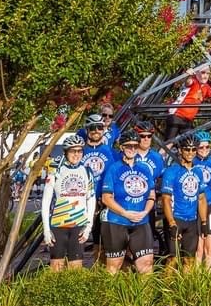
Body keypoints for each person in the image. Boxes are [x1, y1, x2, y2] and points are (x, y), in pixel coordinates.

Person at [99, 129, 156, 274]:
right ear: (122, 147)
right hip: (117, 221)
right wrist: (125, 213)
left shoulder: (144, 169)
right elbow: (106, 198)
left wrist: (145, 212)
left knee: (147, 263)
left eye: (135, 146)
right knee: (114, 266)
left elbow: (151, 195)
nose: (132, 149)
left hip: (140, 221)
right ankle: (110, 296)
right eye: (128, 146)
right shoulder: (114, 168)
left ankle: (144, 297)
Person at [40, 134, 95, 271]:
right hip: (59, 224)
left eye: (79, 151)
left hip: (79, 224)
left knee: (75, 267)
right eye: (72, 151)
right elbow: (46, 202)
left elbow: (91, 199)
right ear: (65, 152)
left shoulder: (87, 171)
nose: (76, 154)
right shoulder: (55, 170)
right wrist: (46, 229)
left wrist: (89, 226)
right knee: (56, 267)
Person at [160, 134, 208, 270]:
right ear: (180, 150)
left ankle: (185, 290)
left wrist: (204, 222)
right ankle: (166, 290)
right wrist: (171, 223)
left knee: (189, 260)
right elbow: (166, 199)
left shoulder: (198, 172)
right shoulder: (172, 171)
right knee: (172, 259)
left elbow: (202, 198)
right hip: (176, 218)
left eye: (194, 150)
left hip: (192, 221)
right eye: (187, 149)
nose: (191, 153)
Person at [81, 115, 116, 264]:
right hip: (84, 200)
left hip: (103, 200)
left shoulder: (111, 152)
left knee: (102, 237)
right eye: (92, 127)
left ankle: (101, 269)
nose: (96, 131)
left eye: (99, 127)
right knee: (79, 236)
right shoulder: (79, 151)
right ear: (86, 130)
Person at [193, 130, 211, 265]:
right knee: (199, 247)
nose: (204, 150)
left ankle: (210, 283)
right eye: (201, 147)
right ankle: (196, 283)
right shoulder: (191, 162)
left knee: (210, 246)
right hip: (195, 207)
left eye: (207, 147)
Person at [164, 67, 209, 143]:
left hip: (187, 120)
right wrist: (188, 74)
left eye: (208, 73)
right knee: (169, 143)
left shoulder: (206, 87)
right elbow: (188, 81)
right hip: (176, 115)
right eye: (203, 72)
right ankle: (161, 154)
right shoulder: (193, 81)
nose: (206, 75)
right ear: (196, 73)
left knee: (189, 143)